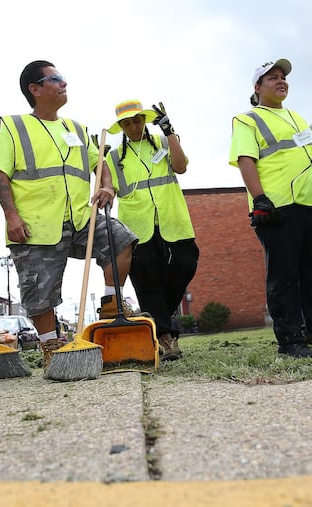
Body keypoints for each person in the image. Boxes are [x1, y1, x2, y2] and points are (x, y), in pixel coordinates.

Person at [0, 60, 138, 367]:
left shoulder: (77, 129)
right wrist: (11, 217)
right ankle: (51, 345)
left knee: (121, 240)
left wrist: (107, 186)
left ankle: (111, 304)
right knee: (39, 291)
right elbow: (0, 176)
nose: (63, 83)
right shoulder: (15, 127)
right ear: (35, 89)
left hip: (82, 218)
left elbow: (100, 164)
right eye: (55, 79)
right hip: (36, 225)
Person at [229, 58, 312, 358]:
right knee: (284, 277)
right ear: (257, 87)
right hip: (279, 208)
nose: (281, 81)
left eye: (283, 77)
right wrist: (259, 198)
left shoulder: (298, 118)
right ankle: (290, 341)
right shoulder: (247, 120)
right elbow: (245, 158)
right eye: (272, 78)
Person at [106, 99, 199, 360]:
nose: (133, 127)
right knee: (148, 281)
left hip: (173, 219)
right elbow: (108, 189)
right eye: (127, 123)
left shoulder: (162, 142)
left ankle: (157, 317)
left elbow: (181, 167)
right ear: (121, 126)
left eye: (137, 120)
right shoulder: (113, 157)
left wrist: (170, 133)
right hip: (137, 226)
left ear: (145, 120)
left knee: (186, 264)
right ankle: (166, 339)